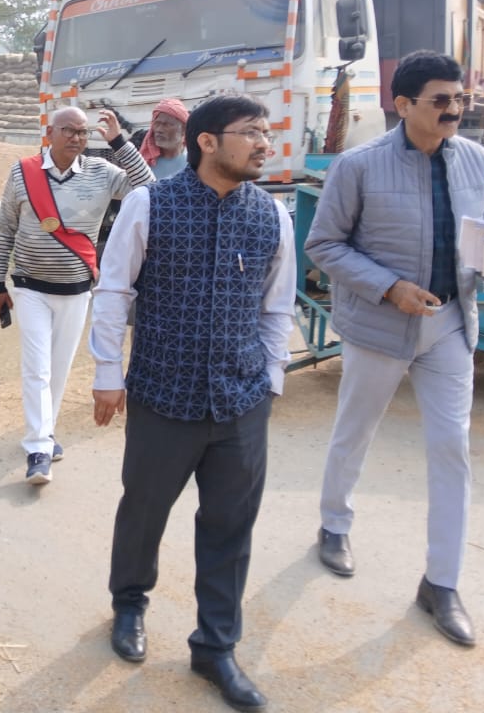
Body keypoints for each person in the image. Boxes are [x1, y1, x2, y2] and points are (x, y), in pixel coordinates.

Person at [304, 50, 484, 648]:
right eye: (441, 100)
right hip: (380, 327)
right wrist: (390, 288)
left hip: (451, 325)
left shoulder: (478, 162)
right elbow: (324, 244)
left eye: (459, 99)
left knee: (451, 448)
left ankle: (442, 583)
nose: (453, 110)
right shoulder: (358, 166)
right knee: (355, 430)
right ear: (404, 104)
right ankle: (334, 524)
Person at [88, 95, 295, 711]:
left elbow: (276, 306)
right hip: (163, 393)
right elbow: (115, 288)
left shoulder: (272, 216)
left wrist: (272, 379)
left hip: (241, 400)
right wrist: (108, 372)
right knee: (145, 509)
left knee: (231, 525)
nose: (263, 143)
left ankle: (216, 646)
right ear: (208, 142)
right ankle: (129, 604)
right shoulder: (151, 204)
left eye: (265, 132)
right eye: (250, 133)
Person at [0, 106, 153, 485]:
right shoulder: (23, 172)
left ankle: (45, 432)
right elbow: (4, 229)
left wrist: (118, 142)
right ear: (50, 133)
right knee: (37, 367)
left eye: (82, 132)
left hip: (77, 290)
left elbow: (148, 187)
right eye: (68, 130)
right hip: (30, 286)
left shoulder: (102, 172)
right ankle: (38, 448)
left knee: (58, 368)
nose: (76, 138)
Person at [139, 97, 189, 180]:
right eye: (157, 123)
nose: (159, 130)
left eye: (167, 125)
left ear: (183, 129)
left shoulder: (195, 163)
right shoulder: (146, 165)